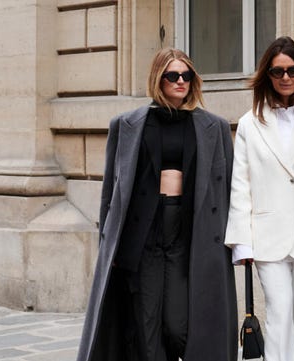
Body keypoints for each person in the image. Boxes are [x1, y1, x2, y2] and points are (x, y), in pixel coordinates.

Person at [76, 47, 238, 361]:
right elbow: (112, 193)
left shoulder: (213, 127)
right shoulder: (127, 125)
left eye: (186, 76)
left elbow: (228, 191)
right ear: (157, 79)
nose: (181, 82)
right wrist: (107, 247)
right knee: (146, 328)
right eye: (172, 76)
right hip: (144, 236)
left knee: (178, 328)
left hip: (187, 234)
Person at [225, 36, 294, 361]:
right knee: (279, 314)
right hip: (267, 238)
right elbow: (240, 186)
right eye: (277, 71)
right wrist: (242, 244)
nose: (286, 78)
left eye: (293, 70)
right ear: (267, 75)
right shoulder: (250, 123)